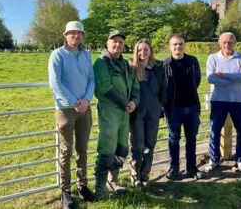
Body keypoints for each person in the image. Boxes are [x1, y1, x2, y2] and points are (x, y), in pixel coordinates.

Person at [48, 21, 96, 209]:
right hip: (66, 109)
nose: (76, 36)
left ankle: (82, 186)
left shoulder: (86, 55)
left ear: (83, 36)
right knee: (66, 151)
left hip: (85, 108)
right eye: (72, 33)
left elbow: (91, 79)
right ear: (65, 35)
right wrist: (75, 100)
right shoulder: (57, 55)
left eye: (79, 33)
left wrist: (86, 99)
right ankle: (65, 192)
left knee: (83, 149)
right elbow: (55, 83)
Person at [93, 30, 140, 199]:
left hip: (125, 114)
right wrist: (125, 102)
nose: (118, 44)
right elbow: (105, 87)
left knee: (121, 149)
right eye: (114, 41)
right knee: (106, 149)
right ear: (107, 44)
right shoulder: (101, 63)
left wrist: (134, 101)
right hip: (109, 113)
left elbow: (135, 84)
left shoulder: (126, 64)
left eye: (121, 42)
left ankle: (114, 182)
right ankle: (100, 189)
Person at [204, 32, 241, 173]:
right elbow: (211, 78)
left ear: (235, 42)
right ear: (220, 43)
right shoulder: (212, 58)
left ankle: (240, 160)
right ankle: (214, 159)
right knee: (214, 131)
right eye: (224, 42)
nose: (227, 45)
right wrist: (234, 80)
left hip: (239, 101)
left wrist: (223, 76)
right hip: (218, 100)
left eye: (230, 42)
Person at [163, 34, 203, 180]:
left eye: (180, 44)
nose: (177, 47)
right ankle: (174, 168)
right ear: (170, 46)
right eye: (174, 44)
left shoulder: (192, 61)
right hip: (174, 109)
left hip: (192, 107)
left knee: (191, 138)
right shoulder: (165, 64)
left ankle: (191, 167)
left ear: (184, 45)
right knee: (174, 139)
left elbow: (197, 80)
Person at [129, 39, 166, 187]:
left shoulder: (158, 67)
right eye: (139, 50)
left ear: (150, 51)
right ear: (136, 52)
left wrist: (159, 105)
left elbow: (164, 88)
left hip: (153, 112)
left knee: (150, 145)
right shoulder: (132, 68)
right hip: (137, 113)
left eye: (146, 49)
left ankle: (145, 176)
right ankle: (135, 176)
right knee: (138, 146)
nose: (142, 52)